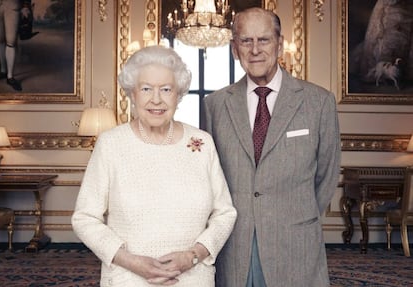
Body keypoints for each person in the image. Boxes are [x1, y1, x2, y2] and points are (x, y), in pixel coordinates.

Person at [72, 46, 237, 287]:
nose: (156, 99)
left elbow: (225, 213)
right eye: (146, 89)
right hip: (127, 279)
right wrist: (131, 261)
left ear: (178, 95)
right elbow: (85, 218)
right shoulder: (111, 144)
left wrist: (192, 256)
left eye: (166, 90)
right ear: (132, 94)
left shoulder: (202, 143)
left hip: (193, 279)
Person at [203, 7, 341, 287]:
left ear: (279, 43)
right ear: (234, 48)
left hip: (294, 243)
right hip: (234, 246)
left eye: (264, 40)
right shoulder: (215, 105)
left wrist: (293, 213)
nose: (255, 50)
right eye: (246, 41)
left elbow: (326, 176)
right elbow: (209, 177)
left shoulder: (319, 102)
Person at [0, 0, 27, 91]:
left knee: (11, 42)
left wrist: (26, 5)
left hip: (12, 4)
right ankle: (3, 71)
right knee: (0, 40)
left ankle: (10, 77)